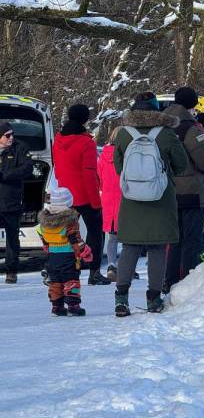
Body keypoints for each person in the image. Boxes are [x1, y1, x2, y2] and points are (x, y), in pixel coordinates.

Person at [112, 92, 188, 317]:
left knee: (129, 248)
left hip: (131, 199)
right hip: (161, 199)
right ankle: (153, 299)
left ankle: (121, 299)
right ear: (157, 111)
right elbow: (181, 165)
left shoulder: (124, 134)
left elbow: (118, 168)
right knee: (157, 249)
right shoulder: (166, 134)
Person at [163, 87, 204, 292]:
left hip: (168, 190)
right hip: (192, 191)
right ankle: (187, 283)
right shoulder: (190, 128)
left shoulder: (163, 126)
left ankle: (169, 280)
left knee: (174, 240)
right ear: (193, 104)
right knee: (192, 240)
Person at [52, 104, 111, 285]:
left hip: (65, 194)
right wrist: (96, 201)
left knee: (63, 234)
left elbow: (57, 170)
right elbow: (89, 174)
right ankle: (93, 272)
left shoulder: (58, 140)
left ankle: (59, 268)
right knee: (95, 231)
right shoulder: (87, 143)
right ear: (85, 119)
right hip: (84, 195)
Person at [35, 187, 93, 316]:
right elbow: (75, 240)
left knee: (55, 281)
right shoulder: (70, 220)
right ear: (69, 202)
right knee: (71, 280)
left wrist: (46, 246)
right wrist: (85, 252)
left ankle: (57, 307)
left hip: (52, 256)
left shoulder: (45, 220)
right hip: (68, 256)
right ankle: (73, 306)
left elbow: (40, 232)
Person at [98, 126, 138, 281]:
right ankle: (128, 268)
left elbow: (99, 179)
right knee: (130, 237)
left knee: (112, 236)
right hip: (126, 197)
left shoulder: (103, 156)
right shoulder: (128, 155)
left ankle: (111, 265)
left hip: (108, 199)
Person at [0, 120, 33, 284]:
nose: (11, 137)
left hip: (11, 200)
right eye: (7, 135)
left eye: (12, 134)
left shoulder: (20, 148)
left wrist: (5, 175)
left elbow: (27, 168)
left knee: (12, 237)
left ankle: (11, 271)